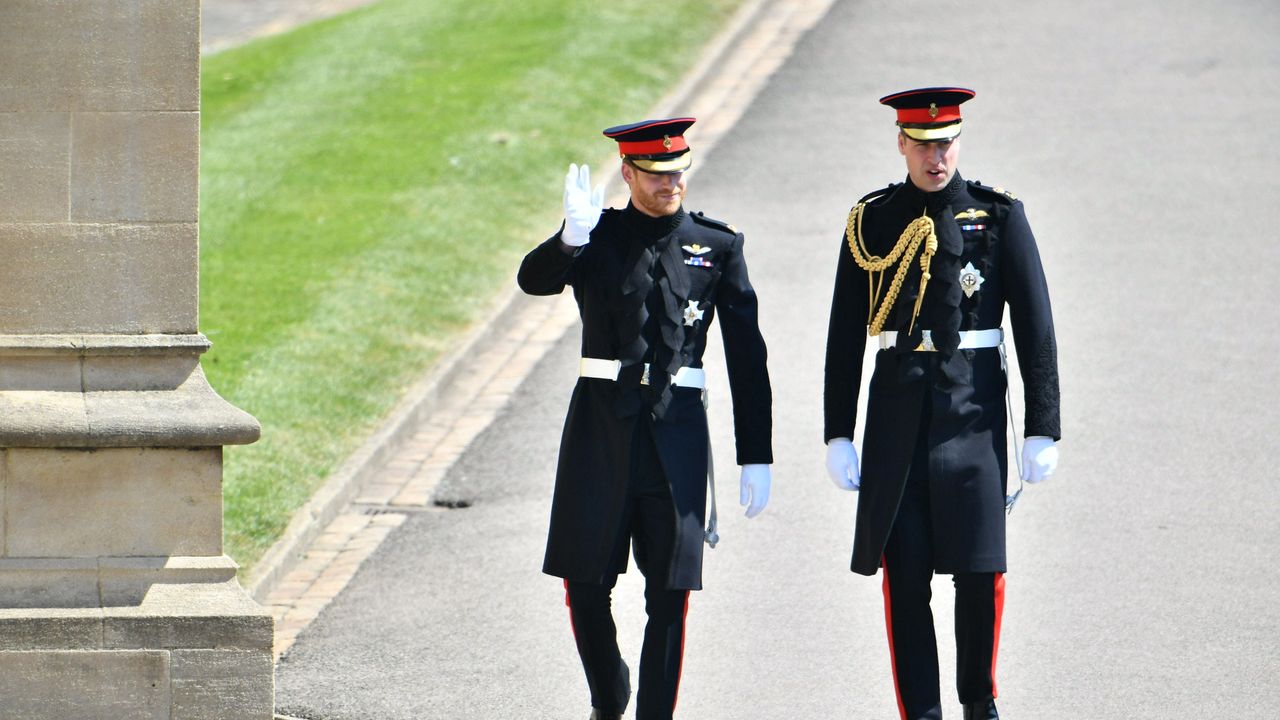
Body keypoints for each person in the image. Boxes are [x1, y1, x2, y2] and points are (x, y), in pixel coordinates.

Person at [517, 117, 773, 720]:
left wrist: (755, 453)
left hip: (676, 435)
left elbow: (747, 355)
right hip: (599, 431)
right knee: (585, 582)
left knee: (670, 593)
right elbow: (533, 282)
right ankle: (609, 697)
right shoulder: (597, 237)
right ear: (627, 173)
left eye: (677, 172)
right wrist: (567, 241)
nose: (669, 185)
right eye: (655, 175)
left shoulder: (718, 244)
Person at [823, 87, 1062, 720]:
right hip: (898, 417)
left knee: (980, 574)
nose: (937, 156)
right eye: (924, 143)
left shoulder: (998, 215)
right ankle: (921, 712)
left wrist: (1044, 426)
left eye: (947, 141)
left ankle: (979, 702)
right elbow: (846, 330)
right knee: (905, 581)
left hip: (973, 414)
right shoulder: (872, 219)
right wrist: (837, 430)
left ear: (961, 139)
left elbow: (1035, 325)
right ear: (901, 143)